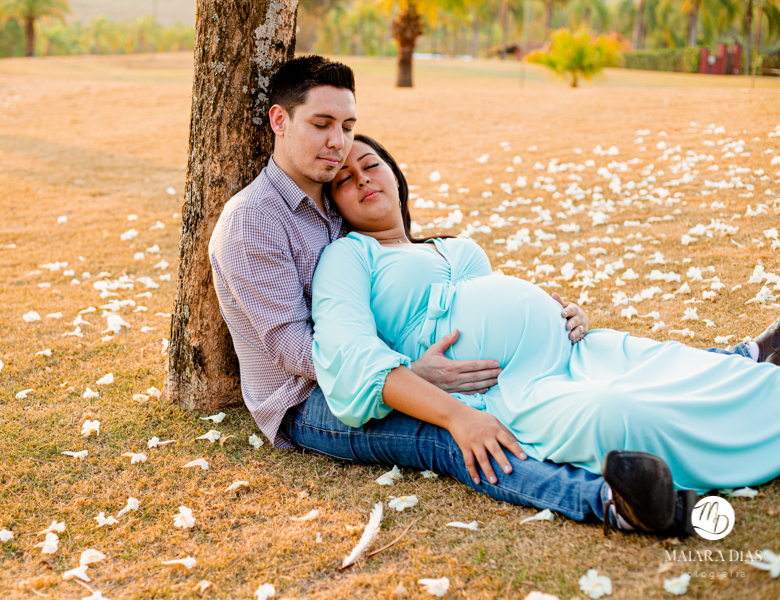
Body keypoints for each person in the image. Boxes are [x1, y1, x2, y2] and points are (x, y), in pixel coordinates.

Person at [208, 55, 725, 536]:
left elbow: (400, 274)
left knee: (559, 370)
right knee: (450, 433)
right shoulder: (252, 221)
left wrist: (547, 312)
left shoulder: (333, 197)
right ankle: (614, 504)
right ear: (280, 121)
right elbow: (293, 349)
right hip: (308, 400)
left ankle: (730, 365)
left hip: (380, 365)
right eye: (321, 125)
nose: (338, 143)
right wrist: (409, 372)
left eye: (346, 127)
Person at [311, 132, 780, 505]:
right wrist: (414, 374)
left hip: (576, 348)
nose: (362, 179)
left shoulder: (452, 247)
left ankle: (759, 380)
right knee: (616, 413)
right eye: (344, 179)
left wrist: (563, 311)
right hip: (510, 390)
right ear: (334, 203)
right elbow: (348, 355)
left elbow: (494, 303)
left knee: (682, 367)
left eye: (371, 166)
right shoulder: (348, 256)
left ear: (394, 174)